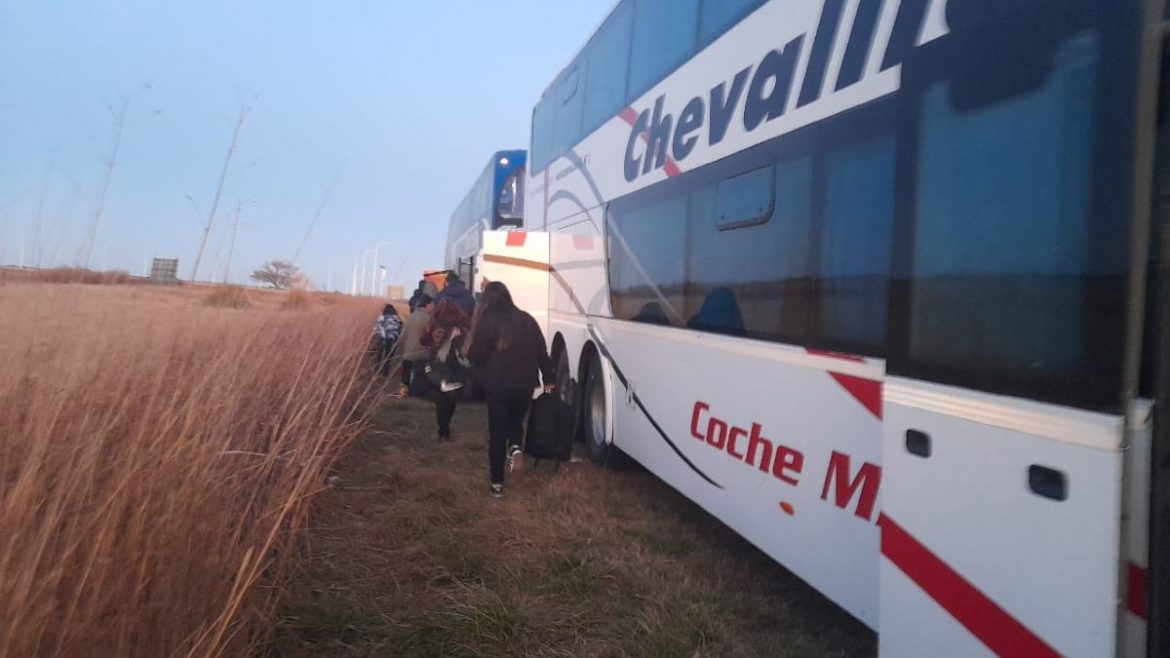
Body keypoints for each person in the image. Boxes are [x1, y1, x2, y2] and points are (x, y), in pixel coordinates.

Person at [466, 281, 553, 498]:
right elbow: (542, 351)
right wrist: (549, 378)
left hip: (497, 385)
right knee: (515, 422)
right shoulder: (527, 319)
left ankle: (497, 486)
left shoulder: (487, 321)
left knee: (497, 433)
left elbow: (476, 354)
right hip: (525, 384)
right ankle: (515, 448)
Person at [419, 300, 471, 440]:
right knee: (451, 398)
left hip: (438, 364)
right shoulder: (462, 327)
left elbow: (424, 341)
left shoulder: (434, 324)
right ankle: (445, 426)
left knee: (441, 399)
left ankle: (443, 430)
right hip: (456, 366)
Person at [391, 295, 434, 395]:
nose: (434, 306)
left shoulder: (412, 316)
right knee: (420, 375)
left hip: (409, 351)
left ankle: (403, 392)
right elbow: (430, 335)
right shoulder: (428, 319)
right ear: (427, 305)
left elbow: (403, 334)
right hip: (422, 352)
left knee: (406, 374)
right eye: (432, 304)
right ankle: (418, 393)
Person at [373, 304, 402, 375]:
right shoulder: (396, 317)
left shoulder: (382, 317)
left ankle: (378, 370)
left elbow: (376, 327)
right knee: (388, 355)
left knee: (379, 354)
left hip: (383, 337)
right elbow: (399, 327)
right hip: (393, 338)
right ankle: (386, 371)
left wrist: (379, 334)